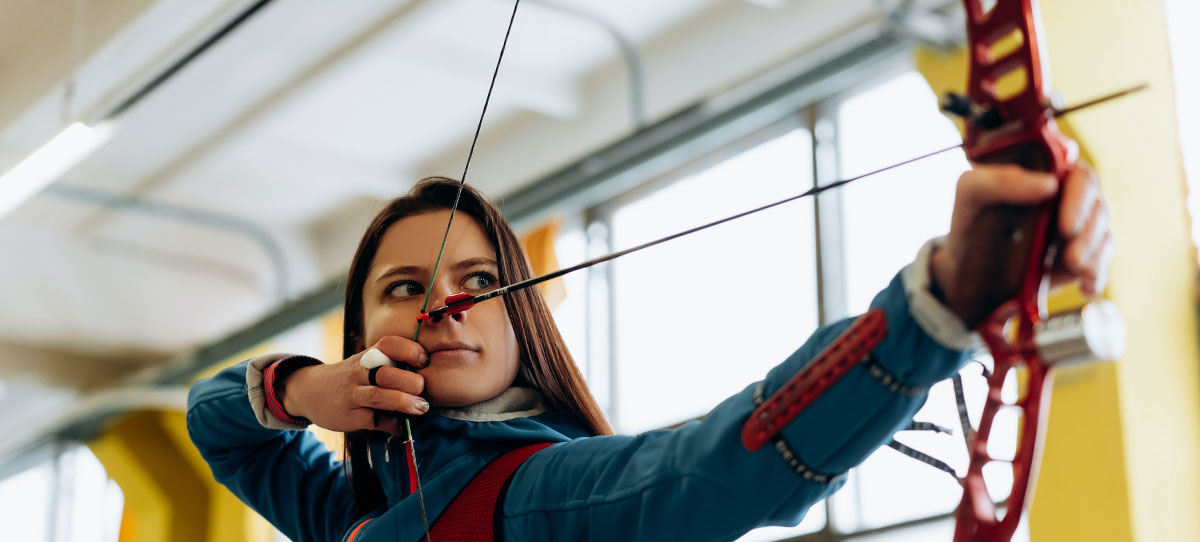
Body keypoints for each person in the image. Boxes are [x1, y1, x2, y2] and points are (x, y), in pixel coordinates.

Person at [187, 163, 1113, 541]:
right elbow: (216, 421)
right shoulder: (352, 511)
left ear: (521, 329)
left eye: (478, 284)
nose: (444, 308)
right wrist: (303, 389)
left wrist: (940, 305)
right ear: (363, 342)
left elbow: (714, 468)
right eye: (405, 291)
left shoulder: (529, 496)